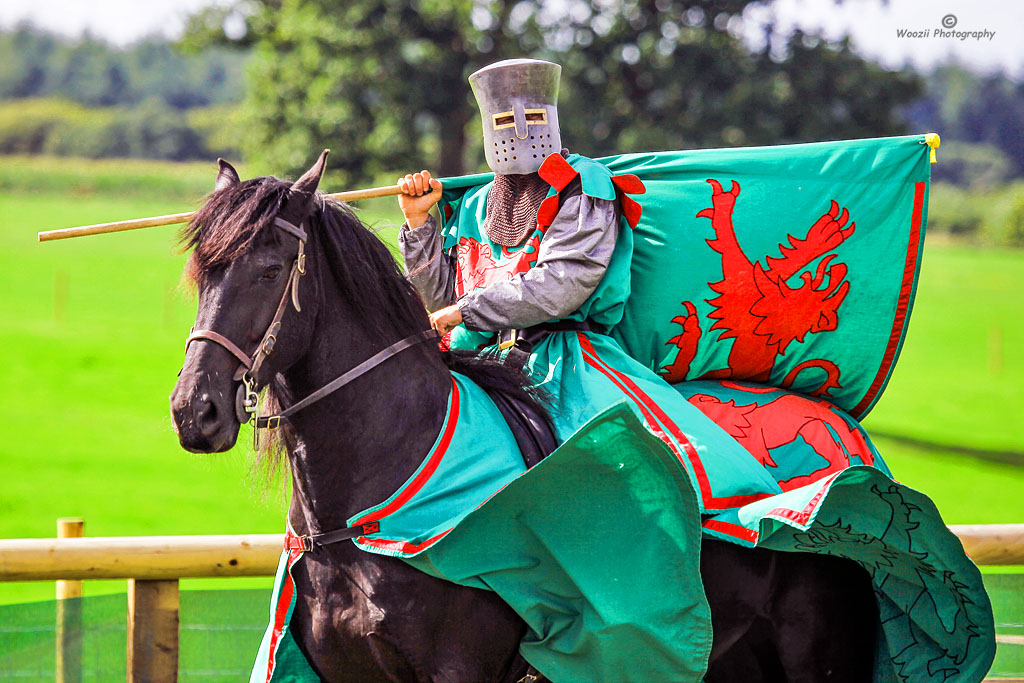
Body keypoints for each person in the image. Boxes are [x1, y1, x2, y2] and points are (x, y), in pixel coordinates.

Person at [397, 58, 781, 503]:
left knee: (650, 477)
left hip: (562, 361)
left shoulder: (582, 184)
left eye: (534, 117)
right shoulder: (474, 205)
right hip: (476, 358)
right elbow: (439, 299)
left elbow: (563, 283)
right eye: (504, 120)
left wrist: (463, 311)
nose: (520, 130)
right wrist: (420, 222)